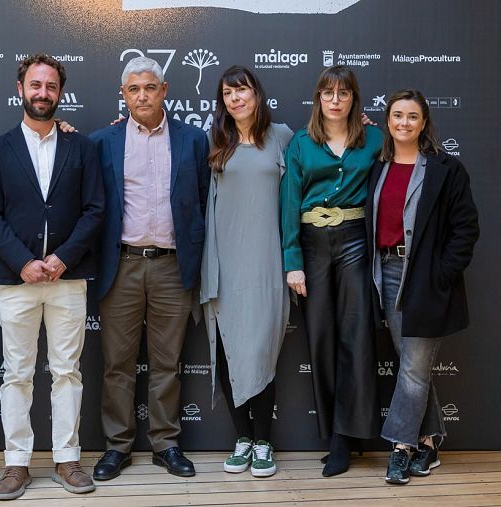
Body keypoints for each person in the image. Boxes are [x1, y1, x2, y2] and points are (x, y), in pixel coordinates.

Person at [0, 54, 104, 499]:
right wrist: (23, 262)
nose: (42, 93)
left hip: (68, 280)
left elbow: (95, 211)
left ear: (60, 92)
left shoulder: (81, 147)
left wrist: (63, 258)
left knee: (67, 371)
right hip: (17, 281)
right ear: (20, 89)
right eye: (35, 85)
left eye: (50, 86)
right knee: (17, 373)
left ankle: (67, 458)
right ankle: (16, 464)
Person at [89, 56, 210, 480]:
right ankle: (117, 448)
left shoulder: (194, 139)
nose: (143, 95)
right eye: (134, 89)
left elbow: (201, 202)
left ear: (165, 90)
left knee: (167, 362)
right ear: (123, 95)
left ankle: (165, 444)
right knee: (117, 364)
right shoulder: (102, 141)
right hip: (121, 265)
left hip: (172, 267)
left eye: (150, 87)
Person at [365, 89, 479, 485]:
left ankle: (402, 447)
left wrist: (441, 274)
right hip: (387, 271)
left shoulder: (446, 170)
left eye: (412, 116)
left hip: (425, 279)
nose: (404, 123)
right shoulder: (378, 167)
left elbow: (466, 229)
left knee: (412, 369)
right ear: (387, 121)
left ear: (424, 122)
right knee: (412, 367)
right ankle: (430, 440)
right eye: (397, 116)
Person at [280, 65, 382, 477]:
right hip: (313, 246)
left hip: (357, 240)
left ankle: (348, 437)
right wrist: (293, 263)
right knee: (321, 338)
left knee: (357, 339)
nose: (335, 100)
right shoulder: (302, 143)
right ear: (318, 99)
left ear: (354, 99)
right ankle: (334, 433)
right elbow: (289, 203)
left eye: (343, 93)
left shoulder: (375, 137)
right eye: (328, 93)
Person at [200, 66, 292, 478]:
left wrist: (361, 124)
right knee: (229, 349)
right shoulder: (214, 141)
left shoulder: (284, 137)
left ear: (257, 94)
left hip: (269, 263)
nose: (235, 98)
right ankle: (243, 438)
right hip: (223, 262)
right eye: (227, 93)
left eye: (242, 90)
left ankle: (264, 440)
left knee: (261, 350)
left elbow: (330, 145)